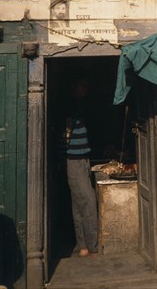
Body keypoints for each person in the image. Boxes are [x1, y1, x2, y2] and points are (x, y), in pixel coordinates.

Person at [62, 76, 98, 257]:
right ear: (74, 86)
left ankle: (83, 244)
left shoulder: (79, 105)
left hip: (83, 159)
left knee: (79, 204)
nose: (85, 89)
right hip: (74, 160)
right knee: (88, 202)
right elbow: (66, 134)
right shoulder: (71, 105)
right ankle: (92, 245)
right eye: (82, 85)